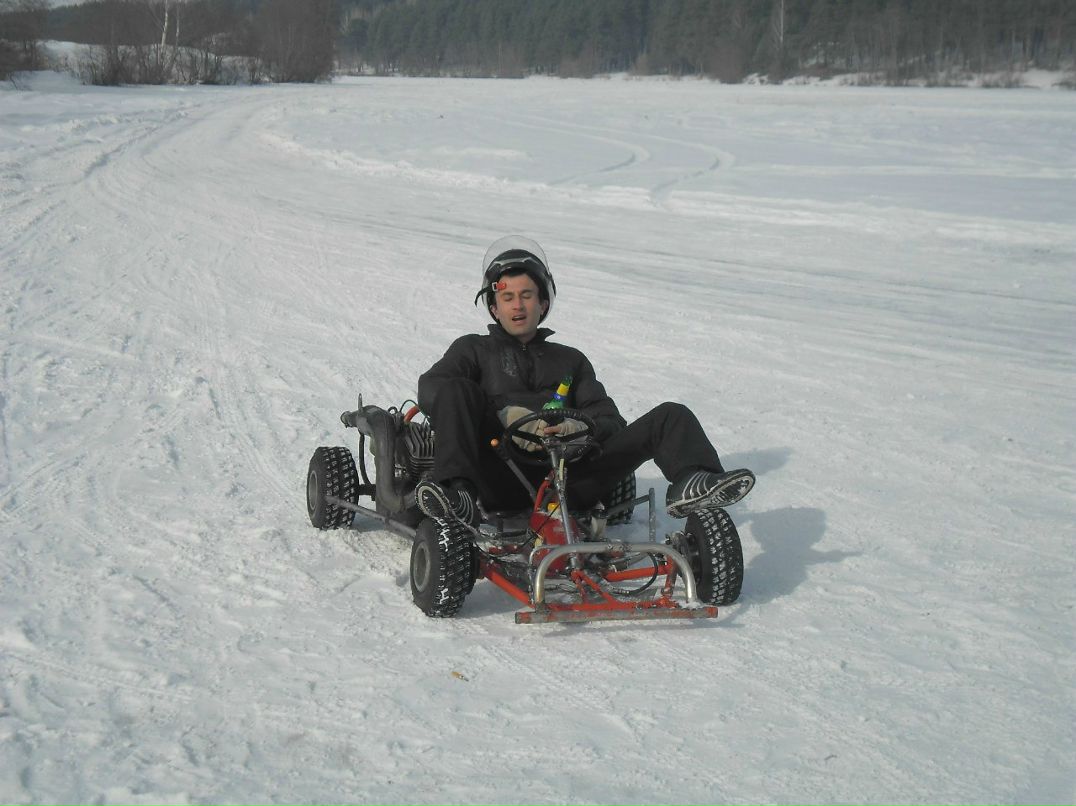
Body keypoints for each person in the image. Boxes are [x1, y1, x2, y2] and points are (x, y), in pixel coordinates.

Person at [414, 235, 754, 526]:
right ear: (494, 308)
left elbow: (610, 419)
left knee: (670, 416)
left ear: (542, 303)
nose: (518, 306)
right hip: (497, 476)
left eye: (527, 295)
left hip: (569, 483)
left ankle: (693, 479)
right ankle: (457, 495)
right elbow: (431, 390)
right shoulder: (473, 349)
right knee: (455, 388)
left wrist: (577, 429)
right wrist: (502, 414)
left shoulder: (571, 360)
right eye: (507, 297)